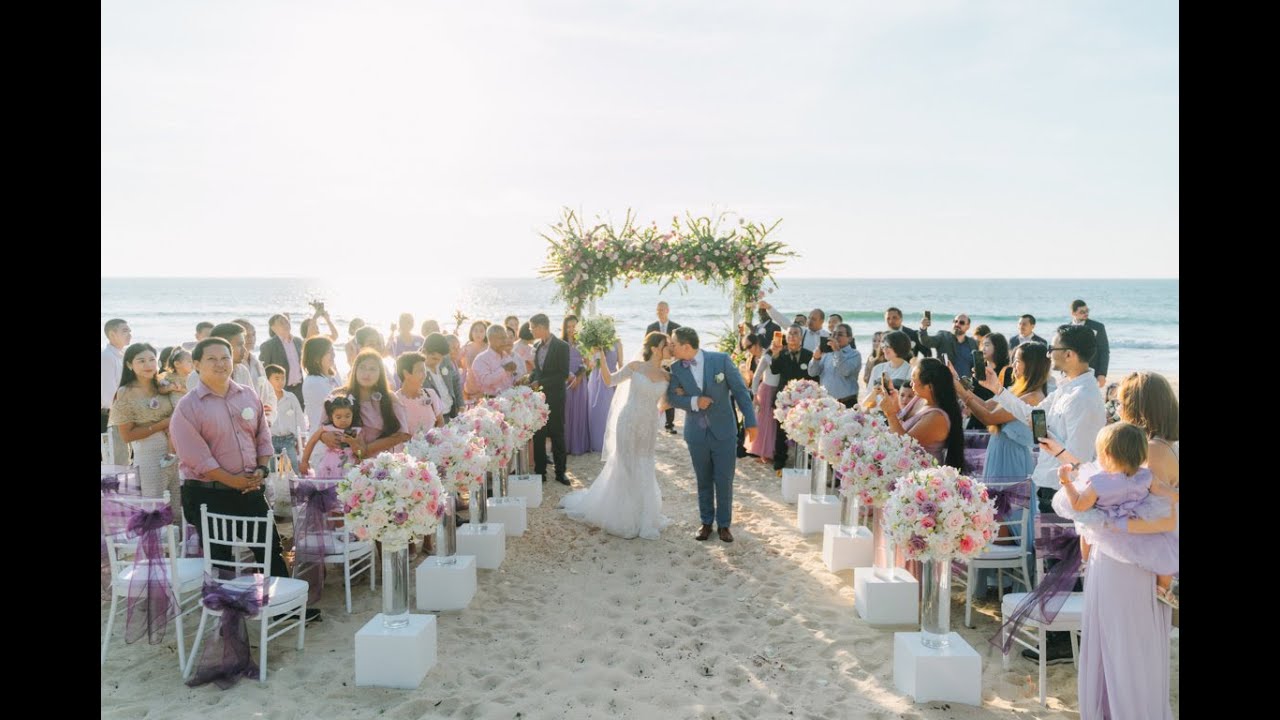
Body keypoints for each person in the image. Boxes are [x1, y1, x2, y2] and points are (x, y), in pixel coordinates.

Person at [976, 324, 1106, 665]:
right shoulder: (1064, 389)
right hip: (1048, 486)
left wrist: (1053, 449)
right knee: (1052, 567)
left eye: (1054, 349)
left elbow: (1078, 458)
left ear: (1070, 355)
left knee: (1063, 568)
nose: (1049, 355)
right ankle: (1060, 637)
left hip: (1065, 492)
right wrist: (999, 390)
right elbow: (1032, 416)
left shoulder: (1086, 398)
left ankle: (1066, 643)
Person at [170, 338, 301, 613]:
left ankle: (282, 608)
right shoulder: (188, 406)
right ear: (196, 365)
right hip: (208, 494)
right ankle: (227, 618)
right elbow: (196, 456)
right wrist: (235, 481)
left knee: (270, 548)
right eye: (211, 359)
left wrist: (262, 470)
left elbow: (262, 437)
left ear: (233, 361)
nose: (220, 364)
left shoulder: (248, 395)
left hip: (250, 487)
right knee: (221, 558)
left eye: (225, 357)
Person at [559, 332, 675, 539]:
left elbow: (664, 403)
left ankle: (645, 515)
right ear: (656, 348)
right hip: (628, 421)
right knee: (626, 464)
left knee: (646, 464)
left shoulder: (667, 376)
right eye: (667, 346)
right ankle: (624, 515)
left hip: (648, 425)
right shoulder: (635, 367)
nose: (671, 349)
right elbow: (610, 380)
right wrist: (601, 358)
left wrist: (680, 397)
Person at [1054, 422, 1178, 603]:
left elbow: (1079, 505)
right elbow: (1166, 492)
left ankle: (1086, 562)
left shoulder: (1097, 483)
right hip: (1136, 527)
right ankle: (1162, 588)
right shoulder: (1146, 476)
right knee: (1166, 553)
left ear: (1106, 454)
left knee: (1087, 527)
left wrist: (1066, 482)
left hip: (1107, 529)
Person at [665, 327, 757, 542]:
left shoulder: (721, 360)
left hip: (724, 432)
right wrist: (694, 401)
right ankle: (706, 522)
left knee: (724, 480)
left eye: (674, 344)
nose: (671, 347)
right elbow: (671, 398)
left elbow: (741, 391)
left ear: (686, 346)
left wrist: (751, 422)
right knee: (703, 480)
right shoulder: (676, 369)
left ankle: (724, 525)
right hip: (696, 435)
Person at [109, 343, 183, 521]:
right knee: (154, 506)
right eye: (141, 361)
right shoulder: (125, 392)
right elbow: (127, 436)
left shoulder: (163, 385)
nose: (148, 364)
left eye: (151, 359)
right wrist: (162, 424)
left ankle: (178, 547)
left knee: (178, 506)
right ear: (129, 365)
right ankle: (156, 548)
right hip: (149, 455)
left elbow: (182, 411)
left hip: (176, 452)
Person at [956, 342, 1049, 481]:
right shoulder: (1015, 390)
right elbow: (987, 406)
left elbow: (989, 417)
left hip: (1011, 456)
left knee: (1006, 498)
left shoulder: (1034, 397)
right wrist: (958, 383)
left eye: (1017, 361)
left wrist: (960, 392)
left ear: (1032, 365)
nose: (1013, 366)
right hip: (999, 450)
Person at [311, 349, 410, 465]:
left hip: (379, 464)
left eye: (372, 369)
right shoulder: (338, 395)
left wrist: (367, 450)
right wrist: (325, 436)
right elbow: (321, 429)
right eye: (362, 367)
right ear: (355, 370)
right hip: (343, 464)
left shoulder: (389, 398)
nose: (366, 373)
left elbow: (402, 435)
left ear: (380, 373)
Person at [879, 358, 965, 470]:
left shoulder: (936, 417)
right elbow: (902, 423)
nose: (910, 384)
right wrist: (894, 402)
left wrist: (889, 413)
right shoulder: (919, 399)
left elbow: (905, 445)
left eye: (913, 380)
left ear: (929, 387)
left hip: (924, 478)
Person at [529, 314, 570, 485]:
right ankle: (540, 473)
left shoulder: (562, 346)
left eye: (532, 327)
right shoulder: (537, 346)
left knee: (557, 434)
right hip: (539, 399)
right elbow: (539, 370)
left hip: (556, 397)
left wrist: (541, 382)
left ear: (541, 326)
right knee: (539, 435)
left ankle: (561, 472)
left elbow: (563, 374)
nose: (530, 330)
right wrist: (530, 379)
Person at [769, 325, 814, 474]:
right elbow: (774, 370)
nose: (793, 337)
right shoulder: (780, 354)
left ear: (801, 337)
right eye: (790, 334)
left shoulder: (809, 355)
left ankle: (804, 460)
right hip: (785, 398)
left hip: (803, 399)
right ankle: (780, 459)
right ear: (785, 338)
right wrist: (775, 354)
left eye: (796, 334)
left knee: (804, 429)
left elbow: (814, 376)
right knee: (781, 430)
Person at [299, 394, 359, 478]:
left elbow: (360, 449)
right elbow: (312, 441)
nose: (343, 420)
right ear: (331, 417)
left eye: (347, 416)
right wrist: (304, 461)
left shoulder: (355, 430)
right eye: (338, 417)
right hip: (330, 464)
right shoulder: (326, 428)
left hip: (349, 462)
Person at [646, 301, 682, 434]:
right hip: (655, 366)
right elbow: (647, 348)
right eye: (657, 310)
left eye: (661, 310)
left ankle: (669, 424)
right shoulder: (651, 327)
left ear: (667, 310)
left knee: (670, 392)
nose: (659, 312)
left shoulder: (676, 328)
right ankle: (651, 420)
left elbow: (678, 348)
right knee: (653, 393)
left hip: (670, 365)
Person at [586, 332, 625, 454]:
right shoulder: (595, 344)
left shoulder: (618, 343)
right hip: (596, 379)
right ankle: (596, 443)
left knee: (610, 409)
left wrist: (621, 381)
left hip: (611, 378)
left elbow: (621, 364)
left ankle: (610, 442)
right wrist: (595, 352)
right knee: (595, 410)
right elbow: (590, 364)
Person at [262, 364, 305, 472]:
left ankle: (295, 488)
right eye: (277, 378)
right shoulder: (264, 400)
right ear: (267, 380)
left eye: (283, 378)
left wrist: (301, 439)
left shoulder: (290, 397)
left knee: (293, 467)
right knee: (272, 470)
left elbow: (299, 417)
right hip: (271, 440)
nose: (280, 381)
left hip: (288, 440)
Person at [807, 322, 861, 406]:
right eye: (834, 334)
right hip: (827, 402)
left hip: (846, 401)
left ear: (849, 338)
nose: (836, 337)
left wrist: (837, 351)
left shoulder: (854, 354)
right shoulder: (826, 353)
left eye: (840, 334)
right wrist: (816, 358)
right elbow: (812, 373)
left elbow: (845, 371)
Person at [966, 331, 1012, 429]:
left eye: (987, 345)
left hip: (994, 422)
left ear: (997, 347)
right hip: (976, 418)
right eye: (982, 345)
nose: (983, 348)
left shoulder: (1007, 372)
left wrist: (963, 392)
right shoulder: (980, 369)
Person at [465, 324, 523, 398]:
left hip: (509, 399)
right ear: (491, 339)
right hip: (491, 402)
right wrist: (504, 369)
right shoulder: (481, 359)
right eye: (502, 338)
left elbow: (509, 380)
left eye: (505, 338)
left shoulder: (505, 356)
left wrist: (517, 381)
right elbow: (486, 381)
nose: (505, 341)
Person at [259, 314, 306, 406]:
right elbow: (263, 371)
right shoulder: (268, 346)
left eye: (286, 322)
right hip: (281, 389)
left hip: (300, 388)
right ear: (273, 328)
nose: (285, 325)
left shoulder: (298, 341)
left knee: (299, 417)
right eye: (281, 323)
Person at [394, 351, 443, 436]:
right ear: (406, 374)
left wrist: (435, 442)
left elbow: (440, 422)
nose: (424, 375)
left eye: (424, 370)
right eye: (420, 371)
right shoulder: (395, 400)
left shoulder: (430, 394)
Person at [562, 315, 592, 455]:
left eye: (574, 326)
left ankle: (579, 445)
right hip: (565, 380)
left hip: (580, 381)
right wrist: (568, 375)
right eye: (568, 326)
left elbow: (587, 363)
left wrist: (579, 378)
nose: (571, 329)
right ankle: (566, 445)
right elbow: (558, 362)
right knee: (567, 411)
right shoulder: (560, 343)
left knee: (579, 410)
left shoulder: (583, 343)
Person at [749, 332, 781, 464]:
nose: (777, 345)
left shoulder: (781, 356)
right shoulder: (766, 357)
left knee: (773, 422)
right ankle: (763, 452)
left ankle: (771, 451)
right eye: (775, 342)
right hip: (766, 390)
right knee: (764, 422)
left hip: (777, 390)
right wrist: (754, 395)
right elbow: (756, 376)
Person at [862, 330, 914, 410]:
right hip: (877, 415)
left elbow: (910, 402)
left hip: (898, 416)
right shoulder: (878, 368)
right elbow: (867, 403)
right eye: (883, 346)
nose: (884, 349)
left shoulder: (910, 370)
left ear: (899, 346)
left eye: (888, 346)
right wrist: (875, 392)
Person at [918, 312, 979, 379]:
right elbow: (926, 341)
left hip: (966, 384)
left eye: (961, 323)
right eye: (955, 321)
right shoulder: (943, 336)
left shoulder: (972, 343)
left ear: (968, 326)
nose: (957, 324)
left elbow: (976, 364)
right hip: (946, 381)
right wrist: (923, 328)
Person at [301, 336, 342, 434]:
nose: (333, 355)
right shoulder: (313, 382)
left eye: (333, 350)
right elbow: (336, 405)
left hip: (337, 432)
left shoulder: (333, 375)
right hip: (322, 436)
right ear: (316, 358)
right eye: (329, 352)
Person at [422, 333, 464, 421]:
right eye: (434, 359)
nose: (437, 362)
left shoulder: (445, 359)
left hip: (452, 412)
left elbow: (455, 381)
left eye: (440, 359)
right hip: (434, 419)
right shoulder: (418, 369)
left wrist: (461, 405)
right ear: (424, 351)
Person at [101, 318, 132, 434]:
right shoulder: (106, 357)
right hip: (109, 417)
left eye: (129, 331)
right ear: (112, 334)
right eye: (125, 331)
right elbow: (108, 394)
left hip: (120, 414)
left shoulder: (122, 355)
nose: (129, 334)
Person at [1071, 299, 1111, 388]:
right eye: (1082, 312)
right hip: (1071, 374)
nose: (1086, 313)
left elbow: (1104, 351)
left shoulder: (1098, 327)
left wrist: (1102, 374)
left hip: (1092, 373)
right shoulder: (1066, 329)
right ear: (1073, 313)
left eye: (1087, 311)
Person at [210, 322, 254, 389]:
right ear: (224, 346)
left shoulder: (242, 371)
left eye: (243, 345)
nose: (244, 350)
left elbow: (251, 398)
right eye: (239, 345)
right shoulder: (201, 376)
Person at [233, 317, 267, 393]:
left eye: (253, 334)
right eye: (246, 335)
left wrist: (268, 404)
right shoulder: (231, 365)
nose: (251, 338)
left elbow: (268, 391)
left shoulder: (257, 363)